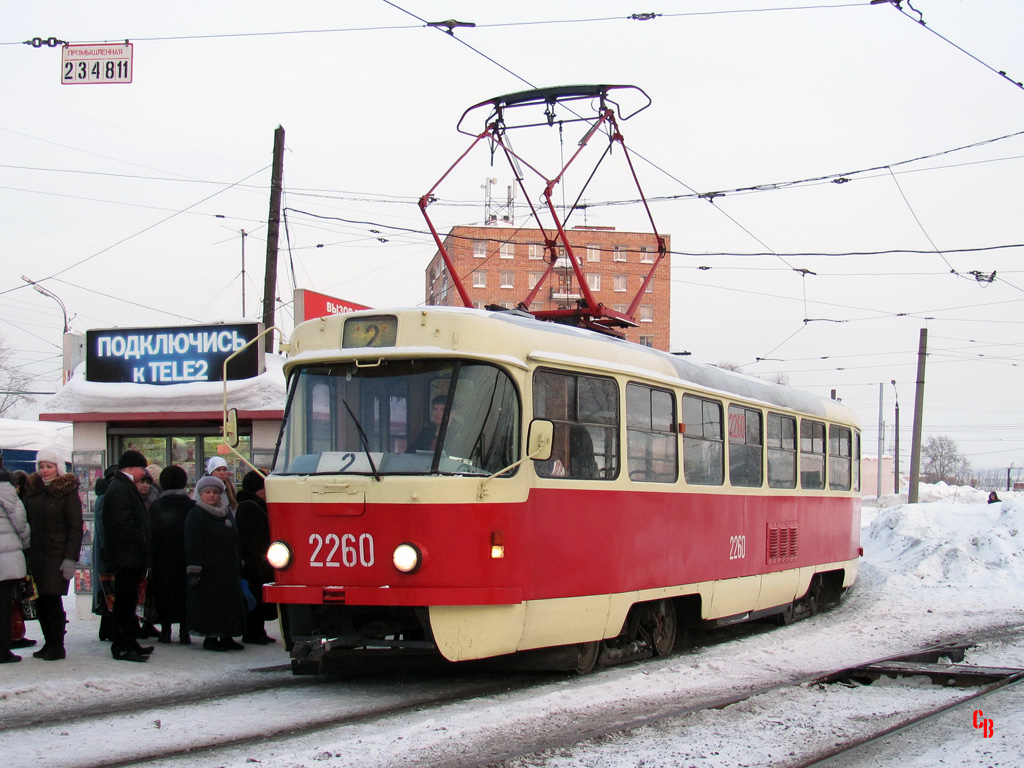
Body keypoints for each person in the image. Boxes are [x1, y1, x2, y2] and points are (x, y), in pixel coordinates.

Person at [21, 448, 83, 661]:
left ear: (58, 468)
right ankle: (48, 641)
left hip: (56, 554)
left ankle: (57, 644)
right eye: (41, 466)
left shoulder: (67, 492)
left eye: (49, 466)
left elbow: (75, 527)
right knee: (40, 602)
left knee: (52, 600)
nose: (44, 471)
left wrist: (70, 557)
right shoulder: (33, 491)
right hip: (36, 554)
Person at [102, 450, 154, 662]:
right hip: (126, 556)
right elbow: (123, 524)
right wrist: (141, 541)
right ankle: (122, 645)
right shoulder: (120, 488)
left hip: (129, 556)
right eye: (142, 467)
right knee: (124, 602)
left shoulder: (122, 487)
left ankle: (130, 641)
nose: (144, 472)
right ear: (131, 468)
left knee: (129, 601)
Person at [185, 476, 247, 651]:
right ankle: (211, 637)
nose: (211, 496)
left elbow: (236, 538)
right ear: (201, 494)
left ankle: (227, 635)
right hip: (209, 570)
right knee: (211, 605)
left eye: (214, 492)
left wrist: (239, 559)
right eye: (207, 492)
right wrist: (195, 568)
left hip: (227, 568)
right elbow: (192, 543)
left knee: (230, 603)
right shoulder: (196, 514)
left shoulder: (225, 512)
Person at [148, 465, 193, 645]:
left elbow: (151, 534)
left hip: (162, 558)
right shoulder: (191, 506)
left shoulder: (156, 506)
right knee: (185, 594)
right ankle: (184, 632)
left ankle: (165, 631)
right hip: (185, 557)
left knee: (163, 594)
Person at [235, 470, 276, 645]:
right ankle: (253, 632)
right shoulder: (250, 506)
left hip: (259, 561)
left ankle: (259, 630)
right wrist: (260, 557)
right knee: (256, 598)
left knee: (260, 598)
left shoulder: (252, 505)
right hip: (255, 563)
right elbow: (252, 536)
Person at [0, 455, 31, 663]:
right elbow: (19, 521)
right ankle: (2, 649)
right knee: (3, 605)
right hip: (6, 556)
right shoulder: (4, 486)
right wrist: (26, 542)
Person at [91, 465, 118, 642]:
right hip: (106, 551)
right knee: (108, 589)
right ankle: (108, 629)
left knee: (107, 589)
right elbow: (103, 524)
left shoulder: (104, 495)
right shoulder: (106, 496)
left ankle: (106, 629)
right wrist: (105, 549)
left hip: (104, 549)